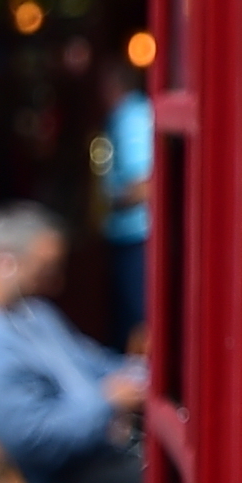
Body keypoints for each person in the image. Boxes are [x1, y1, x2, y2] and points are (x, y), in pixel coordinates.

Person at [0, 201, 146, 483]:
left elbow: (95, 363)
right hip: (47, 482)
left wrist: (141, 375)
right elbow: (29, 439)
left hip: (91, 459)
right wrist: (107, 402)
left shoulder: (34, 312)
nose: (56, 281)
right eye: (46, 268)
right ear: (5, 262)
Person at [96, 59, 155, 339]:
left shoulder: (130, 119)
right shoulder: (125, 116)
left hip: (138, 236)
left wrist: (106, 202)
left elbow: (146, 184)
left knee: (138, 317)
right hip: (130, 236)